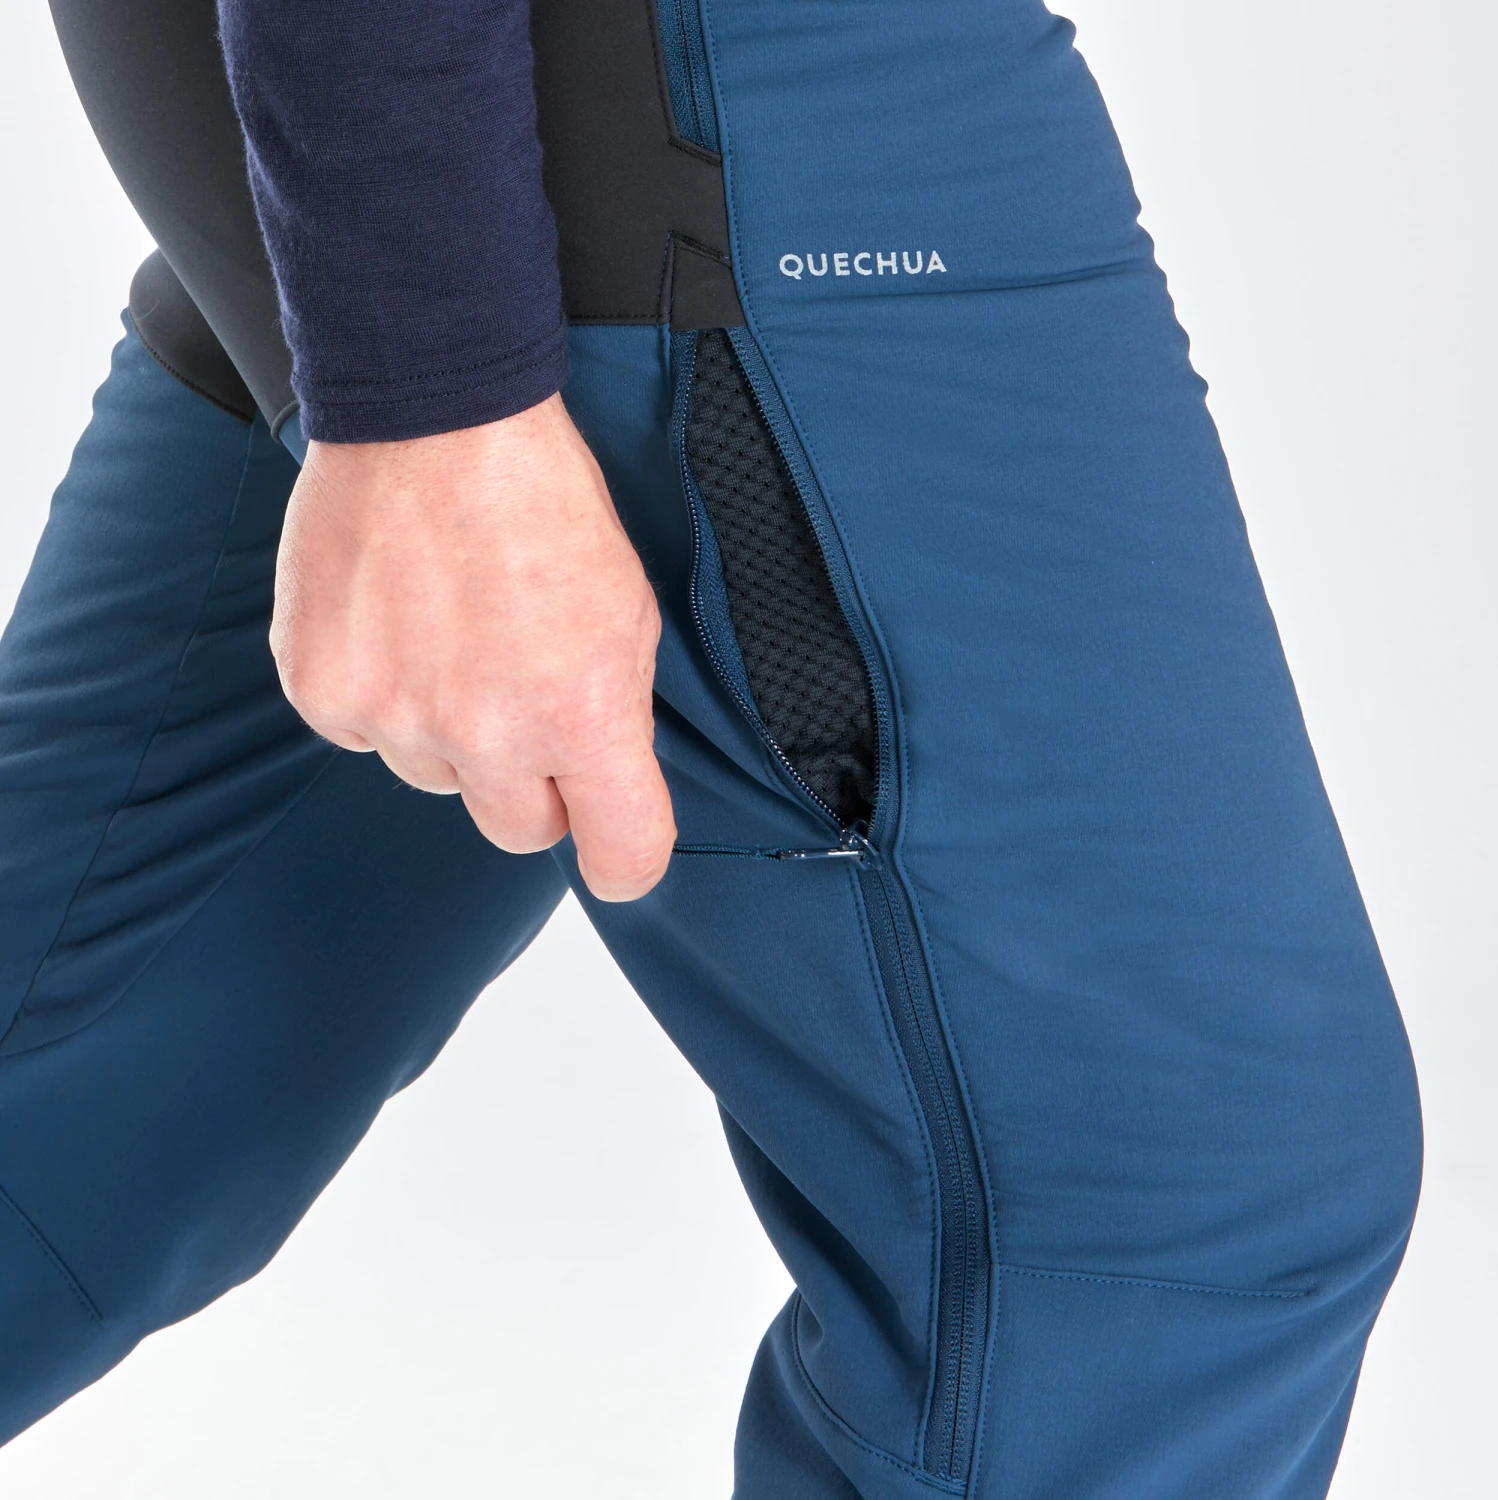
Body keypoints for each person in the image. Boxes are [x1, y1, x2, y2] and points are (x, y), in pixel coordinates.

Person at [0, 0, 1422, 1493]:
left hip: (450, 102)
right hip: (695, 105)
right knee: (1156, 1221)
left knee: (90, 1072)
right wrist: (432, 395)